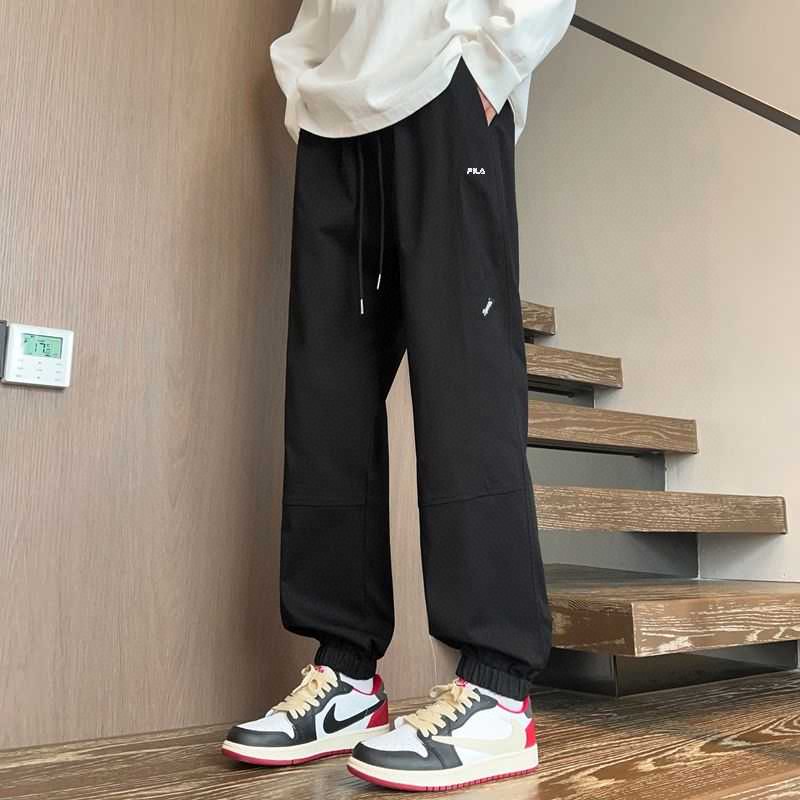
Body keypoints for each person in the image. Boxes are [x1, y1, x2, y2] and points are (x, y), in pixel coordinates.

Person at [222, 0, 575, 791]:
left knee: (464, 386)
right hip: (338, 103)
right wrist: (306, 78)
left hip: (447, 77)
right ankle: (346, 673)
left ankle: (497, 688)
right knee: (327, 395)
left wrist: (492, 58)